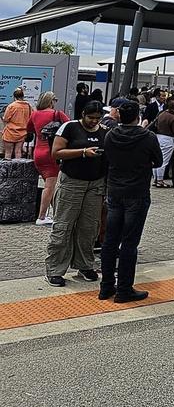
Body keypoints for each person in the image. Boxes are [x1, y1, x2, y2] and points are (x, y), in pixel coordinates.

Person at [99, 100, 162, 302]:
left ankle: (106, 286)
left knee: (110, 240)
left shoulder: (111, 135)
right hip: (137, 192)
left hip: (115, 191)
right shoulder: (148, 137)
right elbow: (159, 161)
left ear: (119, 116)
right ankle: (124, 289)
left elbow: (106, 158)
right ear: (138, 116)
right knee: (129, 242)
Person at [44, 100, 107, 287]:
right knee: (63, 225)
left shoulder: (104, 131)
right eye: (90, 118)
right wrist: (83, 152)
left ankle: (85, 265)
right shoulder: (69, 127)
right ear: (83, 114)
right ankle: (55, 269)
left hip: (95, 184)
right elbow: (56, 153)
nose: (93, 121)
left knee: (89, 227)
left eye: (97, 118)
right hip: (71, 182)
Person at [29, 91, 70, 225]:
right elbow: (70, 128)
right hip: (51, 152)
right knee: (50, 186)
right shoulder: (57, 114)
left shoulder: (34, 114)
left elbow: (28, 129)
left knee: (49, 183)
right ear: (51, 101)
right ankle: (41, 217)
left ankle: (56, 214)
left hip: (38, 152)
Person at [152, 97, 174, 186]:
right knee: (164, 160)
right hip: (168, 139)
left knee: (157, 158)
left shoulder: (161, 114)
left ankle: (155, 179)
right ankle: (160, 180)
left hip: (158, 137)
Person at [2, 87, 33, 159]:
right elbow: (31, 117)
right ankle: (18, 169)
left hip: (10, 132)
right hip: (22, 132)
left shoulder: (11, 106)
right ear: (23, 96)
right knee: (18, 151)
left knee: (8, 152)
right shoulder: (28, 106)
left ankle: (8, 170)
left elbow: (6, 119)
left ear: (14, 97)